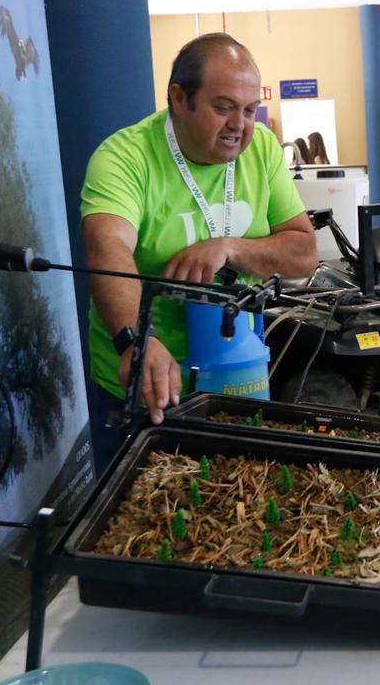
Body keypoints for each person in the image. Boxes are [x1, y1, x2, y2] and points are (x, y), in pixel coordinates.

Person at [81, 33, 318, 473]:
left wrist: (229, 248)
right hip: (152, 378)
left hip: (238, 374)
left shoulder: (262, 149)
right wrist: (137, 340)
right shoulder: (125, 156)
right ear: (178, 97)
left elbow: (303, 251)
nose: (240, 125)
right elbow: (106, 247)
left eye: (250, 110)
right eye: (224, 106)